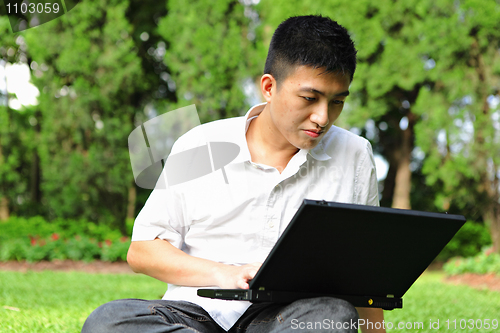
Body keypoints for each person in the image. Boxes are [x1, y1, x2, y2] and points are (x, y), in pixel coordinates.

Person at [82, 15, 386, 333]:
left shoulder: (355, 154)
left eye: (337, 101)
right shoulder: (200, 144)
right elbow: (143, 251)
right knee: (108, 322)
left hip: (287, 320)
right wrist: (225, 274)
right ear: (269, 87)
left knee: (335, 316)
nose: (323, 118)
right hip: (196, 313)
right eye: (310, 98)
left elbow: (363, 272)